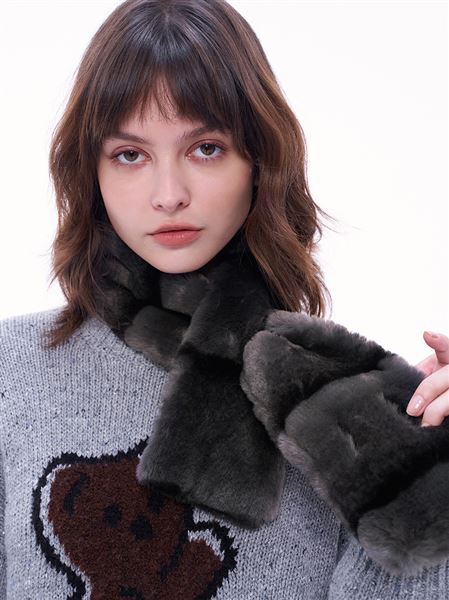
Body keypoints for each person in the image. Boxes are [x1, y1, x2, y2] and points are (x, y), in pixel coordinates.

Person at [0, 0, 447, 598]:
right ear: (91, 173)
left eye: (205, 148)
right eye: (130, 155)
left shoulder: (355, 410)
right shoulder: (10, 373)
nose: (168, 195)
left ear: (259, 162)